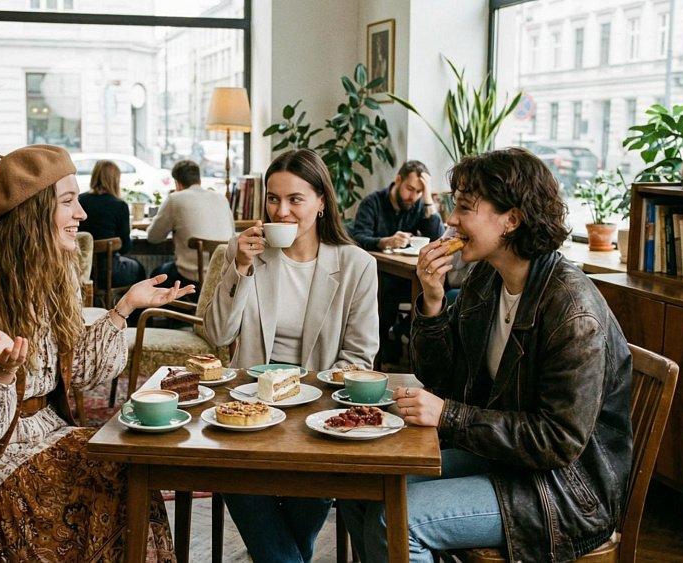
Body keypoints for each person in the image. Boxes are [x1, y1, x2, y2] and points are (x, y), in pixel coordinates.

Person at [340, 148, 632, 563]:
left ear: (511, 219)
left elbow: (557, 441)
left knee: (397, 519)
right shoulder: (486, 281)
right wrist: (433, 300)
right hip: (502, 457)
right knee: (363, 486)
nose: (450, 220)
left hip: (563, 488)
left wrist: (448, 416)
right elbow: (441, 378)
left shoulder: (572, 310)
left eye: (464, 208)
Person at [0, 145, 194, 562]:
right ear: (32, 213)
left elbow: (77, 370)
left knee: (133, 473)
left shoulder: (51, 277)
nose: (81, 213)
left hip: (46, 433)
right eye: (68, 201)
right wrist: (0, 374)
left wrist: (124, 308)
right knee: (103, 494)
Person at [204, 148, 379, 563]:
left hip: (316, 413)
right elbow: (217, 334)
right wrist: (240, 268)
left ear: (321, 203)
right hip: (248, 408)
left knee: (313, 483)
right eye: (273, 198)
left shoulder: (356, 265)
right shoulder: (245, 254)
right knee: (232, 471)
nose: (281, 212)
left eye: (295, 199)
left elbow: (358, 359)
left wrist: (303, 395)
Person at [350, 160, 444, 365]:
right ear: (398, 180)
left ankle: (409, 348)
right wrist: (385, 241)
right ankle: (379, 356)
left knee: (429, 293)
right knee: (387, 298)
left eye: (419, 191)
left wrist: (428, 199)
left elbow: (437, 239)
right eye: (410, 189)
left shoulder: (418, 205)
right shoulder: (373, 202)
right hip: (377, 274)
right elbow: (357, 237)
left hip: (406, 276)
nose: (413, 196)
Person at [147, 159, 235, 298]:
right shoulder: (221, 198)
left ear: (177, 183)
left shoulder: (175, 199)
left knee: (157, 275)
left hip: (191, 278)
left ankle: (173, 312)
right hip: (223, 276)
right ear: (199, 180)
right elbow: (233, 234)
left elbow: (153, 238)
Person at [79, 159, 147, 289]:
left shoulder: (79, 200)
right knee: (139, 268)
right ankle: (132, 302)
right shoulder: (119, 205)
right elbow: (125, 247)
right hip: (109, 272)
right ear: (115, 180)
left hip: (81, 270)